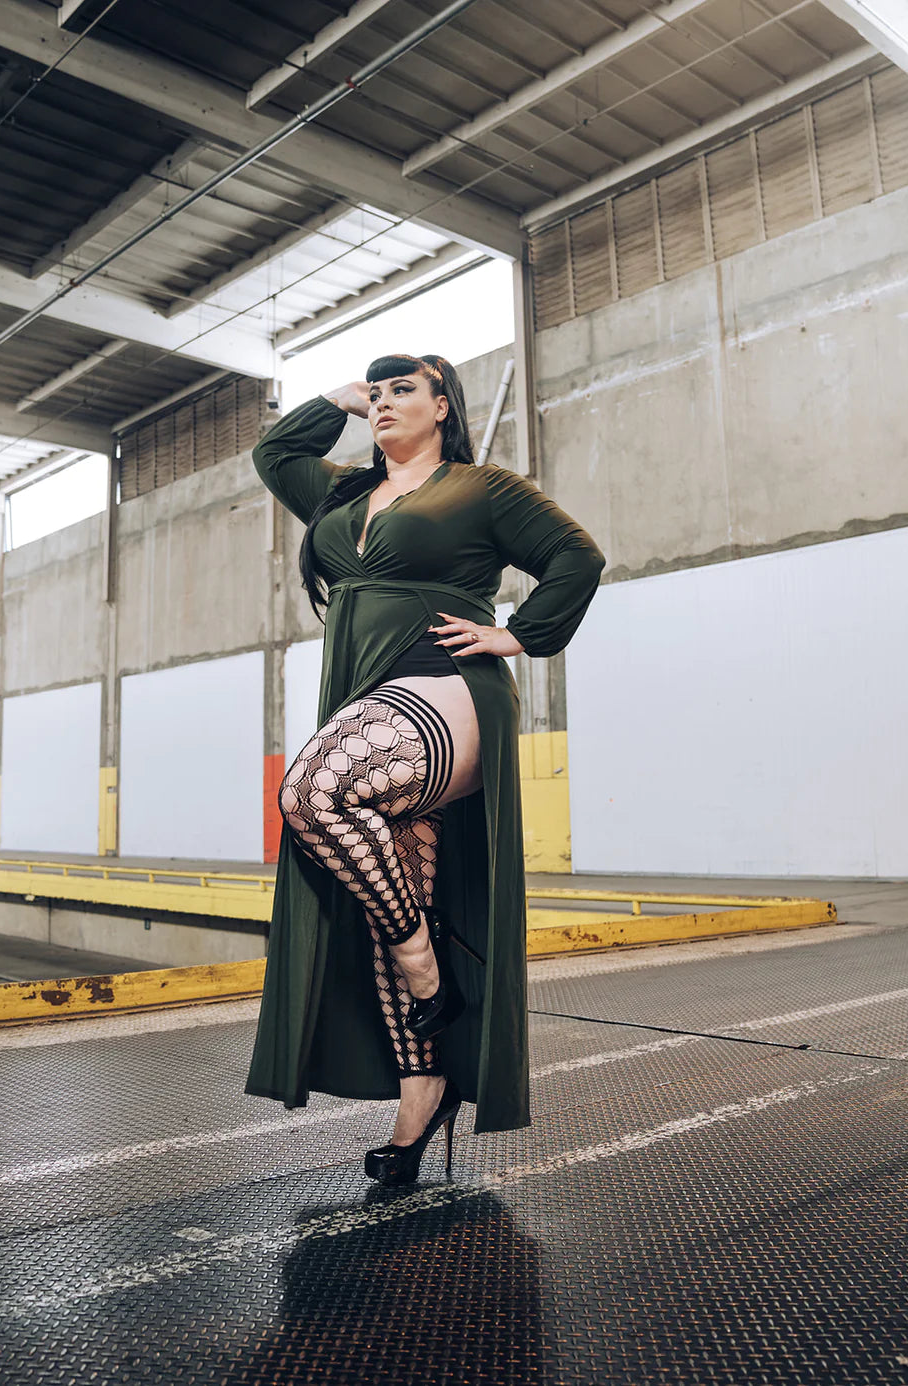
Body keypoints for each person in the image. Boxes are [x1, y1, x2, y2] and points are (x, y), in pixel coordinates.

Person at [245, 352, 605, 1183]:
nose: (383, 403)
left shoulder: (481, 489)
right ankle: (423, 1086)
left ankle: (423, 962)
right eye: (375, 393)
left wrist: (517, 635)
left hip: (448, 689)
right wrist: (335, 400)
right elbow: (275, 456)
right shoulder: (338, 495)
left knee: (312, 791)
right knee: (384, 886)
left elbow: (576, 559)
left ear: (444, 404)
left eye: (402, 389)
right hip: (368, 699)